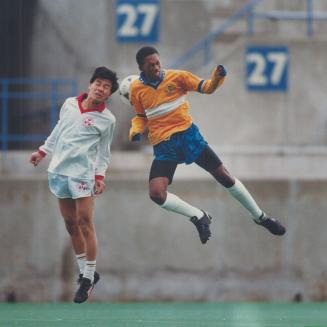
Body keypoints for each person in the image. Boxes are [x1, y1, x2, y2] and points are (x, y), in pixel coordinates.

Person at [128, 46, 286, 244]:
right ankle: (199, 216)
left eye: (158, 62)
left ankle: (260, 217)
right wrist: (135, 130)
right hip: (163, 145)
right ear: (141, 67)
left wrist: (218, 77)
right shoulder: (136, 89)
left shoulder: (178, 77)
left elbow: (208, 87)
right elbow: (141, 117)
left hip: (188, 138)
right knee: (156, 194)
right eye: (151, 65)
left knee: (224, 177)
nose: (156, 67)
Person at [29, 67, 118, 303]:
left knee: (84, 223)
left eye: (106, 86)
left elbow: (104, 153)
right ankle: (85, 273)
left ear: (109, 93)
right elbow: (59, 130)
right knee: (70, 225)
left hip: (82, 175)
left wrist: (100, 177)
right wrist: (42, 151)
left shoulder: (108, 119)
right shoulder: (69, 103)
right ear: (90, 85)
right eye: (98, 83)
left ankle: (88, 278)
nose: (100, 88)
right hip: (58, 171)